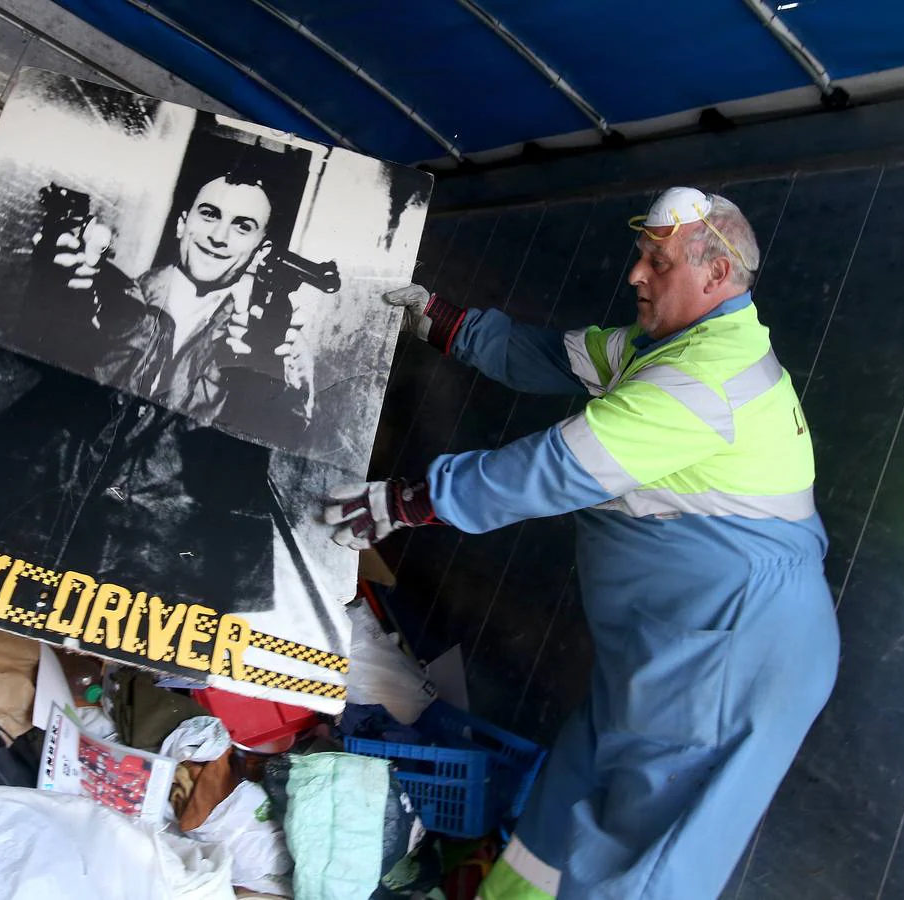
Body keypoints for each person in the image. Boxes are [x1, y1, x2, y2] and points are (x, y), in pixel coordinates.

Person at [324, 188, 840, 899]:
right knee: (566, 808)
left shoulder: (702, 382)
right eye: (640, 258)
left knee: (637, 849)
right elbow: (552, 357)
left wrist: (406, 502)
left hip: (732, 655)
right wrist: (443, 322)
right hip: (672, 645)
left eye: (655, 263)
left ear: (714, 275)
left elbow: (556, 468)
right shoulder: (671, 345)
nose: (634, 275)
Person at [0, 165, 317, 612]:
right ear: (183, 222)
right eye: (209, 215)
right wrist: (51, 290)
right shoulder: (113, 293)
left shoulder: (277, 340)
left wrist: (269, 375)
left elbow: (283, 440)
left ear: (260, 249)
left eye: (241, 226)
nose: (219, 236)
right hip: (50, 510)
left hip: (161, 547)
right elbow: (47, 355)